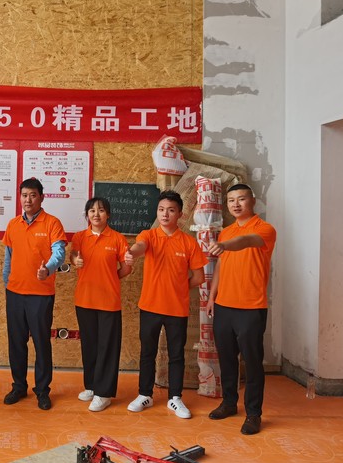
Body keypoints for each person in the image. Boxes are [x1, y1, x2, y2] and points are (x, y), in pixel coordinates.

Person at [124, 190, 206, 418]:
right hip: (150, 306)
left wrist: (178, 287)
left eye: (170, 210)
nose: (165, 214)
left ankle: (175, 398)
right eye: (161, 209)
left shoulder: (189, 243)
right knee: (147, 353)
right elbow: (139, 247)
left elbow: (199, 277)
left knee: (176, 354)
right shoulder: (149, 236)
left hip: (176, 309)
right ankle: (145, 394)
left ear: (180, 214)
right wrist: (131, 253)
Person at [206, 183, 277, 435]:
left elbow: (246, 241)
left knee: (253, 363)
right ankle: (229, 403)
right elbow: (220, 267)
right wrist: (212, 297)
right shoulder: (225, 232)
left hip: (251, 307)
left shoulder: (265, 229)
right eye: (231, 200)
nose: (236, 204)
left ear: (253, 201)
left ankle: (253, 414)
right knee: (227, 359)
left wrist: (225, 245)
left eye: (241, 199)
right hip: (224, 306)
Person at [1, 177, 66, 410]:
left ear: (41, 197)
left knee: (41, 343)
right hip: (15, 294)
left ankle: (42, 390)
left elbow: (59, 253)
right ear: (20, 198)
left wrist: (47, 269)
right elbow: (8, 257)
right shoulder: (13, 224)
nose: (28, 200)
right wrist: (7, 282)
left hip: (41, 295)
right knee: (16, 343)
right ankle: (19, 386)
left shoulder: (52, 223)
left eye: (33, 195)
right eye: (24, 195)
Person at [69, 197, 132, 412]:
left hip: (108, 302)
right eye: (92, 211)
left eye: (101, 210)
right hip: (84, 299)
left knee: (107, 347)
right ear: (87, 215)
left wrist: (110, 278)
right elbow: (73, 255)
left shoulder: (117, 238)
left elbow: (126, 268)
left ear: (108, 215)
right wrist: (74, 260)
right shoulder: (79, 237)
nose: (96, 214)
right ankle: (92, 386)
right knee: (89, 345)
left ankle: (103, 393)